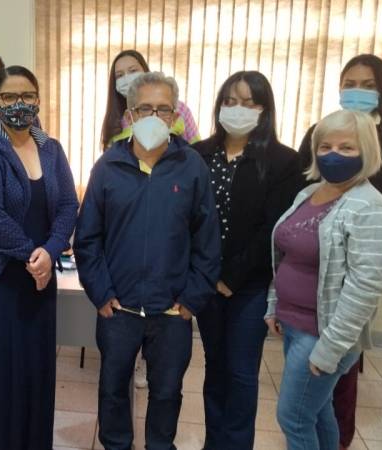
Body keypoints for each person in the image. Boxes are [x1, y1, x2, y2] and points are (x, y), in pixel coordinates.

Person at [75, 71, 221, 450]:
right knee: (113, 390)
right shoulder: (107, 167)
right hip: (118, 309)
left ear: (175, 115)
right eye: (145, 108)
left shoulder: (192, 166)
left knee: (167, 393)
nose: (155, 116)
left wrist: (191, 300)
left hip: (171, 312)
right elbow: (87, 238)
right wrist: (101, 293)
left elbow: (207, 242)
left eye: (164, 109)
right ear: (130, 114)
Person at [296, 54, 382, 450]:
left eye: (368, 85)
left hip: (358, 273)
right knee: (306, 368)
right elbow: (301, 195)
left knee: (341, 368)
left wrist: (372, 262)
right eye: (350, 83)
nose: (357, 91)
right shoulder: (321, 130)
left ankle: (338, 441)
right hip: (311, 270)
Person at [0, 65, 79, 450]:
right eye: (9, 97)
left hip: (38, 280)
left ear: (38, 100)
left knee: (34, 370)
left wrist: (51, 249)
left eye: (27, 95)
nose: (19, 103)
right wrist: (33, 255)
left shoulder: (51, 148)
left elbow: (68, 205)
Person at [267, 109, 382, 450]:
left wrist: (330, 349)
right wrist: (274, 305)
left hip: (323, 333)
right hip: (294, 325)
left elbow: (364, 290)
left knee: (294, 418)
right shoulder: (309, 194)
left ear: (366, 151)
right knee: (319, 410)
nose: (333, 155)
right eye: (325, 146)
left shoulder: (371, 208)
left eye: (346, 147)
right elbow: (286, 254)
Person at [192, 71, 303, 450]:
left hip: (250, 285)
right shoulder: (199, 154)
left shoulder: (283, 161)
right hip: (205, 281)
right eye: (230, 101)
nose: (237, 109)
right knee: (214, 368)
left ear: (264, 109)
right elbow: (188, 219)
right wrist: (205, 275)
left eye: (248, 103)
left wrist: (232, 278)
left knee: (240, 373)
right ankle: (214, 443)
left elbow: (273, 228)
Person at [100, 49, 200, 151]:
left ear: (145, 71)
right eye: (120, 75)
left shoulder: (179, 109)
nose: (127, 78)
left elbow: (197, 149)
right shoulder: (115, 120)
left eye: (133, 71)